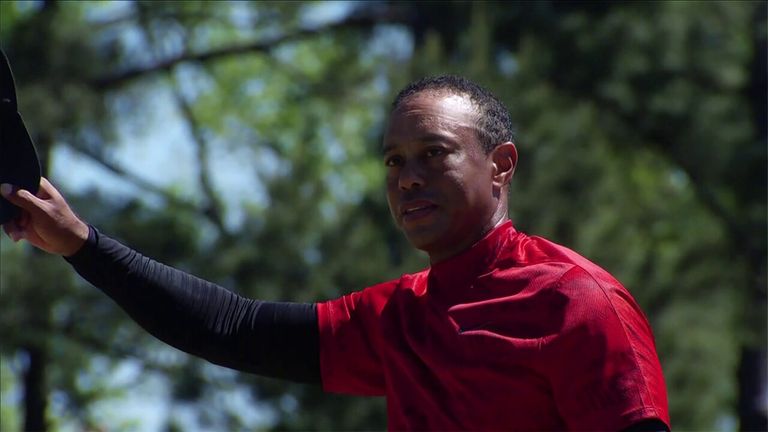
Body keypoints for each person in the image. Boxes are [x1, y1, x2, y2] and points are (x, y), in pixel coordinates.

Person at [1, 75, 670, 431]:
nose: (407, 177)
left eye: (434, 154)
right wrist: (80, 244)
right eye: (394, 161)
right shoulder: (401, 317)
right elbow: (231, 327)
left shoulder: (577, 302)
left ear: (501, 165)